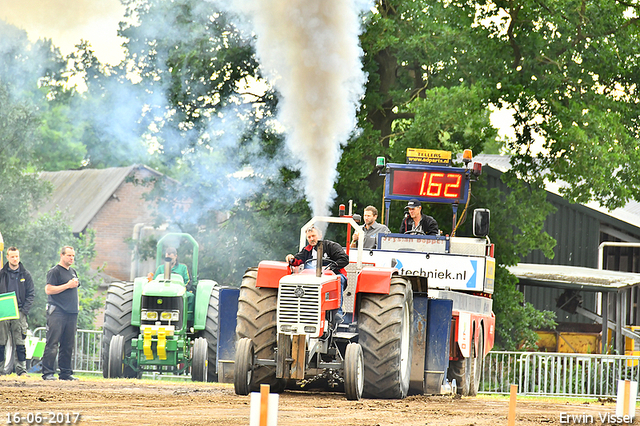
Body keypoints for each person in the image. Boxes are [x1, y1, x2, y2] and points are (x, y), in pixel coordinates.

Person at [285, 226, 349, 321]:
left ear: (320, 235)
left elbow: (344, 259)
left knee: (339, 279)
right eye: (309, 237)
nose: (311, 239)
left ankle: (337, 313)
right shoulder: (307, 250)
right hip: (312, 277)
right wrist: (291, 258)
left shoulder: (331, 246)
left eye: (313, 236)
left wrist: (330, 267)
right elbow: (297, 260)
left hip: (332, 276)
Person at [41, 246, 80, 381]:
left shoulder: (73, 272)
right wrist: (67, 285)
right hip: (57, 311)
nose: (71, 258)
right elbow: (49, 290)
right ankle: (47, 373)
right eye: (69, 255)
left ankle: (65, 373)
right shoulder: (55, 271)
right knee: (53, 342)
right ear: (62, 255)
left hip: (71, 312)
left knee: (68, 344)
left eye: (73, 256)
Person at [0, 247, 35, 376]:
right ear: (8, 257)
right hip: (3, 312)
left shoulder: (25, 275)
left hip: (19, 312)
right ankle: (1, 369)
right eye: (12, 256)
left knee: (20, 341)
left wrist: (24, 311)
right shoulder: (2, 274)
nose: (15, 259)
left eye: (17, 256)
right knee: (1, 341)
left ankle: (21, 370)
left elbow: (31, 294)